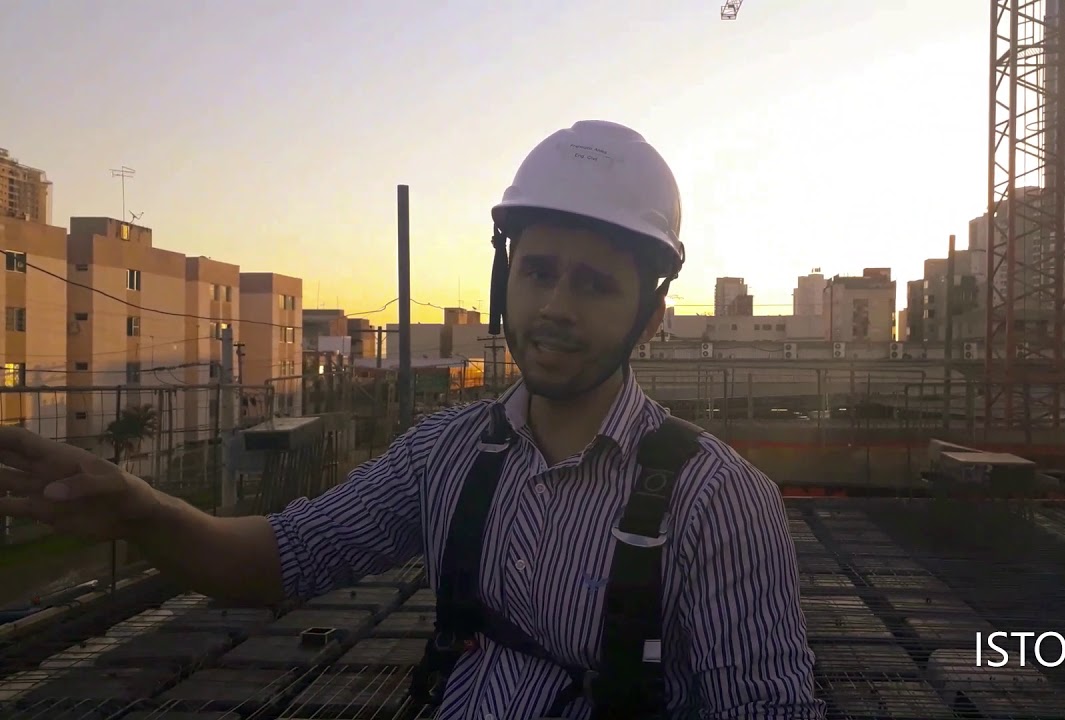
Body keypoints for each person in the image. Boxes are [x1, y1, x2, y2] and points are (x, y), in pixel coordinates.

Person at [0, 120, 825, 719]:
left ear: (649, 317)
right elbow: (283, 558)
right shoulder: (446, 454)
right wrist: (142, 513)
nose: (556, 307)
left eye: (596, 284)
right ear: (506, 280)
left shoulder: (719, 504)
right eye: (538, 272)